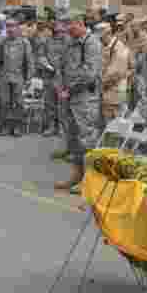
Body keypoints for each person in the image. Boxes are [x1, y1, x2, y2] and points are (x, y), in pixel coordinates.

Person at [54, 15, 102, 192]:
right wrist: (60, 87)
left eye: (70, 26)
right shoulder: (70, 42)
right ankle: (76, 176)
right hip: (69, 97)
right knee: (73, 138)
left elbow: (90, 73)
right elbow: (61, 66)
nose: (67, 30)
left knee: (87, 139)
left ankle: (88, 181)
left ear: (80, 24)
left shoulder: (91, 43)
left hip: (85, 98)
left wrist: (70, 88)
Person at [0, 22, 34, 137]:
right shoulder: (2, 42)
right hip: (5, 76)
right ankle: (5, 126)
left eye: (12, 26)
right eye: (8, 26)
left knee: (18, 103)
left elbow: (29, 61)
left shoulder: (24, 43)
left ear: (17, 28)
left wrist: (29, 78)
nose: (10, 29)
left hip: (19, 76)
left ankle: (17, 126)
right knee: (5, 102)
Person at [97, 22, 132, 131]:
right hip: (108, 93)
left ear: (107, 34)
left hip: (115, 93)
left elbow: (114, 73)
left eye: (101, 37)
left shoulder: (119, 48)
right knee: (108, 125)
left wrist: (98, 84)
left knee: (115, 126)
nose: (99, 40)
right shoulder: (107, 46)